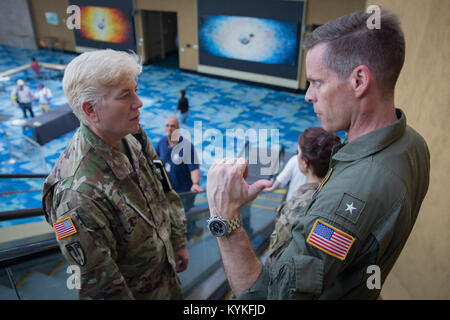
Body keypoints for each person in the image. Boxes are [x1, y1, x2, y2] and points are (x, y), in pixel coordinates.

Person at [206, 10, 430, 300]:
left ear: (359, 80)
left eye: (317, 82)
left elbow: (266, 299)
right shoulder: (414, 143)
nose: (308, 95)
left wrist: (225, 221)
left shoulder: (346, 199)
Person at [42, 49, 189, 300]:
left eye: (135, 90)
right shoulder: (76, 197)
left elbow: (163, 187)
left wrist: (177, 239)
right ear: (91, 111)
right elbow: (101, 289)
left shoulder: (132, 132)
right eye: (125, 95)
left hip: (167, 280)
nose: (138, 102)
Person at [265, 127, 341, 267]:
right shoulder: (337, 192)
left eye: (299, 152)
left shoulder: (295, 208)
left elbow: (275, 258)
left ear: (305, 163)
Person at [155, 117, 204, 237]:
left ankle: (191, 235)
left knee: (185, 216)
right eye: (167, 125)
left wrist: (196, 183)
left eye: (173, 126)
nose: (169, 128)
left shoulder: (187, 147)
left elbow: (194, 169)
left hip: (184, 192)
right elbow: (155, 161)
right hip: (168, 190)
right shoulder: (162, 143)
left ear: (178, 129)